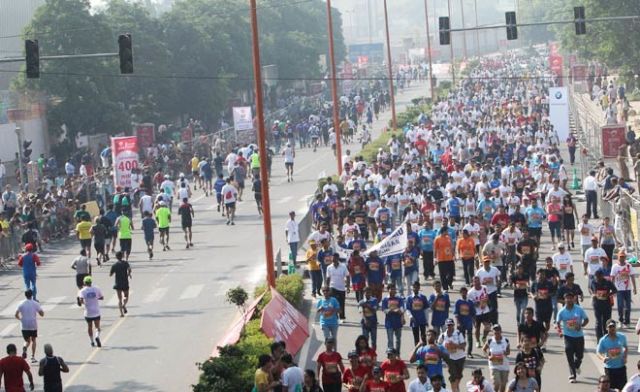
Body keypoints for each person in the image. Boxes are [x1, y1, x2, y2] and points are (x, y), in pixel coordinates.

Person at [556, 291, 589, 383]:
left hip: (579, 336)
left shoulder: (579, 309)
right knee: (569, 353)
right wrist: (559, 332)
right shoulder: (561, 312)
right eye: (567, 298)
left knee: (580, 356)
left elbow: (586, 319)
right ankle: (573, 375)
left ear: (574, 299)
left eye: (571, 298)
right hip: (568, 336)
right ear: (564, 300)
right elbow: (557, 323)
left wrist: (581, 325)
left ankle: (576, 366)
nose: (569, 300)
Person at [596, 320, 628, 390]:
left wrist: (625, 357)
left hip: (621, 367)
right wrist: (603, 358)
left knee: (622, 388)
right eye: (610, 327)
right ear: (607, 328)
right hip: (610, 369)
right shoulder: (603, 340)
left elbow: (626, 347)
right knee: (610, 388)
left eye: (613, 326)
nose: (612, 328)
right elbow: (598, 352)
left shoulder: (622, 337)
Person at [15, 290, 44, 364]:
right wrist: (41, 312)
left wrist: (20, 319)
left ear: (25, 295)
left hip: (24, 325)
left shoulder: (21, 303)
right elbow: (41, 314)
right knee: (33, 340)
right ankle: (32, 356)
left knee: (27, 341)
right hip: (33, 325)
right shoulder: (35, 303)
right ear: (32, 295)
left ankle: (25, 348)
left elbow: (16, 314)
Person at [610, 250, 637, 328]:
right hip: (619, 289)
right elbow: (612, 278)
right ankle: (621, 320)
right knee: (620, 305)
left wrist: (635, 288)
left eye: (623, 257)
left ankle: (627, 321)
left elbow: (632, 276)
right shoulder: (615, 267)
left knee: (628, 306)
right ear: (618, 257)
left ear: (625, 257)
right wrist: (612, 289)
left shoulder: (628, 266)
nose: (622, 258)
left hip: (627, 289)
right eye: (620, 257)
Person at [438, 319, 466, 392]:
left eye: (451, 325)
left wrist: (455, 345)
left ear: (453, 325)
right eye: (448, 325)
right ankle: (454, 390)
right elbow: (438, 345)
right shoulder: (443, 335)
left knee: (459, 375)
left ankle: (456, 387)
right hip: (449, 359)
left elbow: (463, 345)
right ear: (446, 326)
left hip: (460, 357)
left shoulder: (458, 333)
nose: (449, 326)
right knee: (453, 376)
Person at [77, 276, 104, 347]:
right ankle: (97, 336)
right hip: (96, 311)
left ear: (84, 282)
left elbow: (80, 301)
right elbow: (101, 297)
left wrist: (85, 302)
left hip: (88, 312)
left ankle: (92, 341)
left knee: (89, 326)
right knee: (97, 327)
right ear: (91, 282)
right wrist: (95, 298)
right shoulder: (96, 288)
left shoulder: (82, 291)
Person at [483, 324, 510, 392]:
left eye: (498, 331)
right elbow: (484, 349)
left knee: (503, 385)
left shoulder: (506, 340)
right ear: (492, 332)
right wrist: (488, 356)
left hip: (504, 365)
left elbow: (508, 352)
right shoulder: (490, 341)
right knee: (496, 383)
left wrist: (505, 353)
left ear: (501, 331)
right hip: (494, 365)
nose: (496, 332)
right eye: (495, 331)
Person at [382, 284, 405, 353]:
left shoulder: (399, 299)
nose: (393, 290)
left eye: (394, 289)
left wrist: (402, 317)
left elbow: (402, 309)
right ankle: (390, 354)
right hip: (389, 323)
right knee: (390, 339)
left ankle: (397, 354)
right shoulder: (385, 300)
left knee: (398, 340)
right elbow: (385, 310)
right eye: (391, 289)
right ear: (388, 290)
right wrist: (394, 310)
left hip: (398, 322)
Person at [326, 254, 349, 321]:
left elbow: (347, 276)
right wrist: (327, 287)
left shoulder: (343, 266)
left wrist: (347, 287)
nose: (333, 259)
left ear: (338, 258)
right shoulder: (329, 267)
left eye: (335, 258)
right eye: (332, 258)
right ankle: (335, 317)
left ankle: (342, 317)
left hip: (341, 288)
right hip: (332, 287)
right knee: (333, 303)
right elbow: (328, 278)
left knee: (341, 303)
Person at [406, 281, 429, 346]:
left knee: (423, 336)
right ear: (412, 288)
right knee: (416, 337)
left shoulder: (423, 297)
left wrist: (427, 320)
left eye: (417, 287)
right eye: (414, 287)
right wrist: (410, 316)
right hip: (414, 320)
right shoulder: (409, 298)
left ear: (419, 288)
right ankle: (417, 352)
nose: (415, 289)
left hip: (422, 319)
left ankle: (424, 350)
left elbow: (426, 309)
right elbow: (407, 309)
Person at [110, 251, 131, 318]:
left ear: (116, 257)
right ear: (122, 256)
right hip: (125, 282)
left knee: (119, 299)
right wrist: (129, 274)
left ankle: (121, 313)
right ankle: (124, 305)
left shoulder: (114, 265)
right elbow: (129, 269)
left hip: (118, 283)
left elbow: (110, 274)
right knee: (126, 296)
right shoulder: (125, 263)